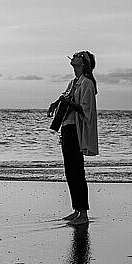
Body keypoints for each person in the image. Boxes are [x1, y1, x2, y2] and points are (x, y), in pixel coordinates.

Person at [47, 51, 98, 225]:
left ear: (83, 63)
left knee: (77, 171)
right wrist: (57, 103)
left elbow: (86, 110)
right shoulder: (73, 83)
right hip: (67, 128)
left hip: (77, 130)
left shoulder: (87, 83)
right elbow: (66, 99)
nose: (73, 57)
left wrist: (68, 103)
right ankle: (76, 210)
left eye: (78, 55)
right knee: (70, 172)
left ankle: (83, 214)